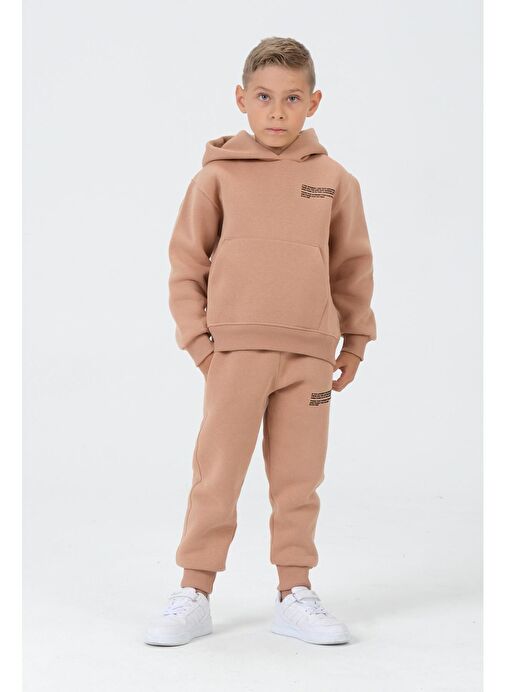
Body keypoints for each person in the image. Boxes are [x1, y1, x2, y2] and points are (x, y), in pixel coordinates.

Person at [144, 36, 377, 647]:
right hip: (235, 354)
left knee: (300, 480)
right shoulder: (215, 178)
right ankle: (194, 591)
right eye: (265, 97)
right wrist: (201, 345)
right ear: (241, 99)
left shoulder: (335, 181)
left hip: (310, 356)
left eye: (292, 98)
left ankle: (294, 592)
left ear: (314, 102)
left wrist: (355, 341)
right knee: (216, 475)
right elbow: (186, 266)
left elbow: (352, 266)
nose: (277, 111)